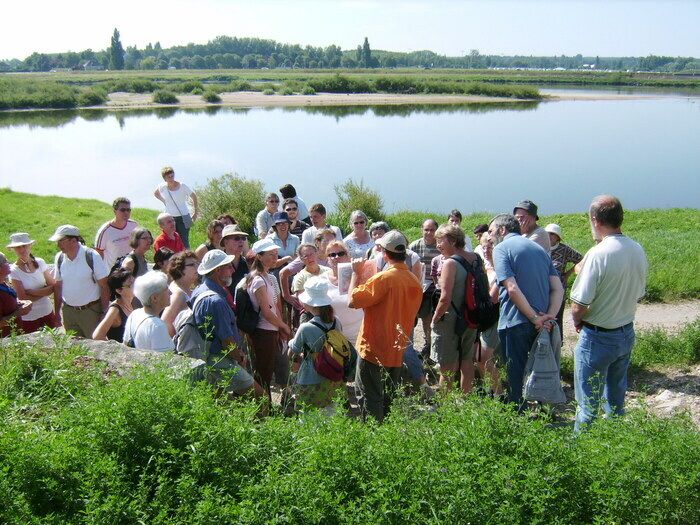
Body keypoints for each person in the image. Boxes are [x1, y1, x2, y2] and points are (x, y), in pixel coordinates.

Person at [570, 195, 648, 432]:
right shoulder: (636, 249)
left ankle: (580, 454)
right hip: (625, 332)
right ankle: (614, 445)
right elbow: (639, 294)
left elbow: (578, 305)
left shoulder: (598, 254)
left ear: (595, 220)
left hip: (597, 336)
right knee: (615, 402)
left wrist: (578, 321)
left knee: (587, 406)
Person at [488, 214, 563, 409]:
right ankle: (546, 411)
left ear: (502, 230)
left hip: (515, 322)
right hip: (542, 322)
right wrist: (548, 317)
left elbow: (511, 288)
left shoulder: (501, 249)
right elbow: (558, 288)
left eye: (491, 231)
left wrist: (534, 317)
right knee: (541, 367)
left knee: (516, 375)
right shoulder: (539, 249)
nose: (489, 237)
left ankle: (517, 418)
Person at [349, 230, 422, 422]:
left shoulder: (383, 278)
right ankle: (386, 436)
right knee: (388, 397)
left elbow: (352, 300)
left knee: (369, 396)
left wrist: (355, 274)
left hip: (373, 348)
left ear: (384, 253)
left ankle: (374, 440)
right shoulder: (414, 280)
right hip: (397, 350)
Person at [191, 249, 264, 398]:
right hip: (221, 360)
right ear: (218, 270)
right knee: (260, 396)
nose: (232, 269)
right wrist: (239, 357)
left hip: (208, 357)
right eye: (228, 266)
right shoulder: (216, 301)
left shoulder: (199, 291)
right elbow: (227, 340)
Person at [430, 224, 479, 393]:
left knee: (447, 365)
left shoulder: (450, 263)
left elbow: (445, 298)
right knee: (467, 359)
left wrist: (435, 318)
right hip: (471, 316)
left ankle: (446, 406)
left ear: (452, 241)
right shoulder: (475, 258)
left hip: (451, 319)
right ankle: (466, 399)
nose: (437, 245)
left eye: (440, 240)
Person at [288, 277, 349, 408]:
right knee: (331, 414)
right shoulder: (336, 321)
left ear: (309, 304)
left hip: (310, 378)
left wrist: (291, 342)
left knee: (308, 417)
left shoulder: (306, 327)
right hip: (333, 376)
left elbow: (293, 351)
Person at [245, 238, 292, 393]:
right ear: (259, 256)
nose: (275, 258)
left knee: (269, 369)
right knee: (264, 373)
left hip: (272, 329)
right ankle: (263, 410)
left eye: (276, 254)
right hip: (263, 331)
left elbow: (274, 306)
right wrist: (283, 325)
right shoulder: (258, 280)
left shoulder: (268, 277)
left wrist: (279, 327)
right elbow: (266, 312)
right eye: (270, 254)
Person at [50, 225, 110, 338]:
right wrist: (57, 312)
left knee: (95, 347)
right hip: (69, 312)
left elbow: (104, 286)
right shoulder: (59, 258)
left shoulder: (92, 256)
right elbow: (58, 286)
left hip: (91, 312)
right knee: (74, 348)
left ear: (73, 240)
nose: (58, 245)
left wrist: (104, 312)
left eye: (61, 241)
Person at [8, 232, 59, 333]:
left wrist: (31, 292)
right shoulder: (13, 270)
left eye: (24, 246)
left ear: (30, 245)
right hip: (29, 317)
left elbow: (53, 287)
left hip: (47, 311)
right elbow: (23, 298)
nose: (22, 249)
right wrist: (44, 292)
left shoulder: (40, 262)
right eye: (18, 247)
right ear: (13, 249)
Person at [409, 218, 440, 358]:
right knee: (411, 318)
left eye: (432, 230)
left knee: (428, 319)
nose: (428, 233)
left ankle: (428, 346)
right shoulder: (414, 246)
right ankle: (409, 347)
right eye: (426, 229)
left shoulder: (440, 246)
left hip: (433, 289)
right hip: (416, 287)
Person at [544, 223, 583, 335]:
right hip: (542, 290)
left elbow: (582, 260)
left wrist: (568, 274)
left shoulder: (564, 249)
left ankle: (557, 345)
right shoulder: (540, 247)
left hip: (559, 291)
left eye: (552, 234)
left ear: (558, 237)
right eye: (547, 233)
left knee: (557, 320)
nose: (549, 236)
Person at [324, 240, 364, 345]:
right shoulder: (322, 280)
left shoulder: (358, 274)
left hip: (359, 333)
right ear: (327, 259)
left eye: (341, 253)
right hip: (335, 336)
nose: (336, 257)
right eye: (332, 255)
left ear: (348, 256)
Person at [123, 272, 174, 351]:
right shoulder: (157, 326)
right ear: (154, 298)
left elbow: (125, 345)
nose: (171, 293)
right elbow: (163, 360)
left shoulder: (134, 314)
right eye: (167, 290)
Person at [153, 166, 198, 249]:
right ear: (165, 178)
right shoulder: (162, 186)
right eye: (168, 177)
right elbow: (156, 193)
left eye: (172, 176)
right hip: (169, 217)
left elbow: (193, 196)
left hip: (184, 216)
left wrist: (195, 211)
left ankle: (187, 258)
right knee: (170, 238)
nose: (171, 178)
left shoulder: (182, 186)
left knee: (184, 240)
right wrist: (164, 201)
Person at [292, 244, 333, 324]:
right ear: (301, 259)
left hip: (329, 311)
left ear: (316, 253)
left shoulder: (328, 271)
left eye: (311, 254)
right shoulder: (299, 277)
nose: (310, 258)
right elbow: (303, 303)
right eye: (306, 256)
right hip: (310, 316)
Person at [161, 250, 199, 337]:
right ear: (179, 269)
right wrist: (177, 341)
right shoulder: (178, 294)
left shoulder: (186, 289)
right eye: (192, 265)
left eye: (197, 263)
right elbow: (166, 323)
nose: (197, 266)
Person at [94, 197, 139, 270]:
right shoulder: (105, 231)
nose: (126, 213)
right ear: (114, 211)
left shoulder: (134, 225)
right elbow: (98, 253)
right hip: (113, 272)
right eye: (123, 210)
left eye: (128, 210)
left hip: (132, 268)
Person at [92, 269, 135, 342]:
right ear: (119, 290)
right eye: (131, 284)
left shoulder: (132, 303)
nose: (136, 286)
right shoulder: (115, 310)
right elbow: (97, 336)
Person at [0, 251, 33, 337]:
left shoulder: (3, 283)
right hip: (5, 340)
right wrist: (18, 313)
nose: (9, 263)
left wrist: (19, 303)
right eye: (5, 262)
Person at [220, 224, 250, 293]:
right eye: (237, 238)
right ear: (226, 242)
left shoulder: (247, 263)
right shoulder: (219, 265)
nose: (241, 241)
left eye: (243, 238)